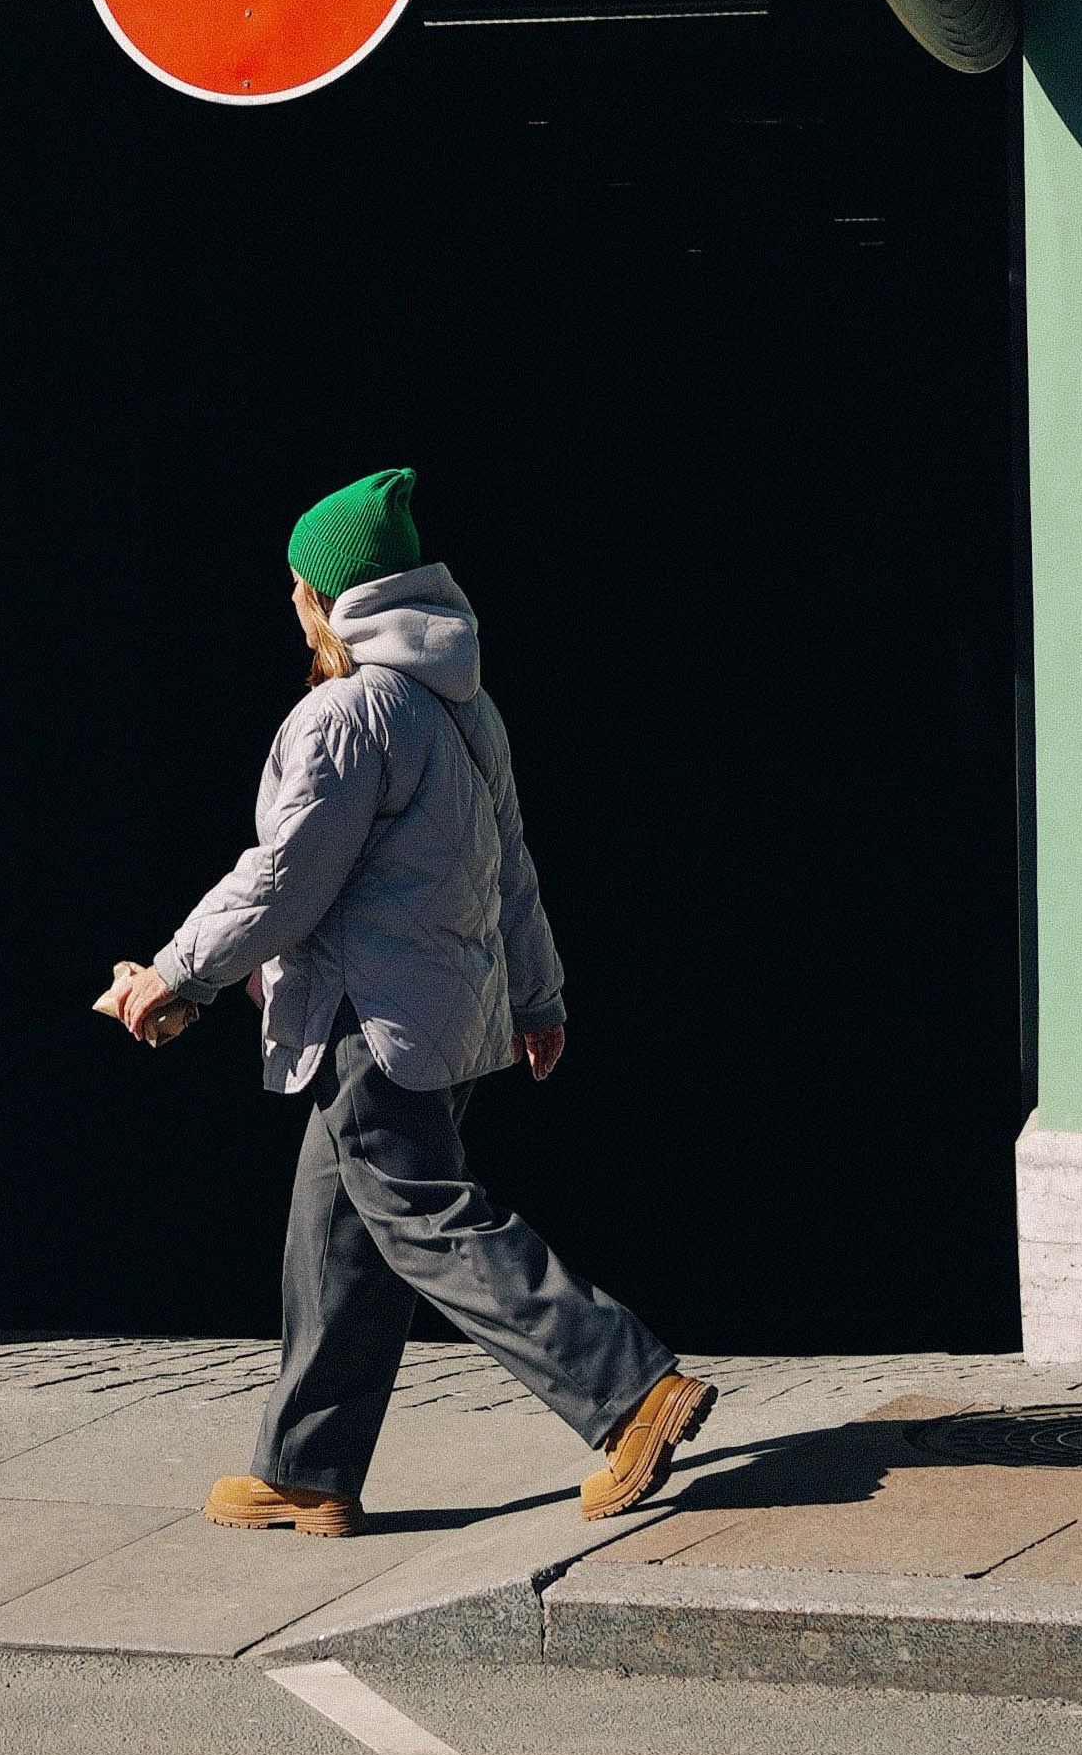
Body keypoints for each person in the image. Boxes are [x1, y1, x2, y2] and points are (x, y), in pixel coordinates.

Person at [97, 467, 712, 1539]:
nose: (291, 601)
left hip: (369, 1025)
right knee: (333, 1235)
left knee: (428, 1219)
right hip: (443, 1016)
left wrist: (173, 970)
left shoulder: (346, 713)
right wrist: (538, 993)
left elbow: (283, 880)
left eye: (300, 584)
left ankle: (630, 1389)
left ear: (335, 596)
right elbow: (511, 866)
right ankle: (308, 1468)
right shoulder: (462, 706)